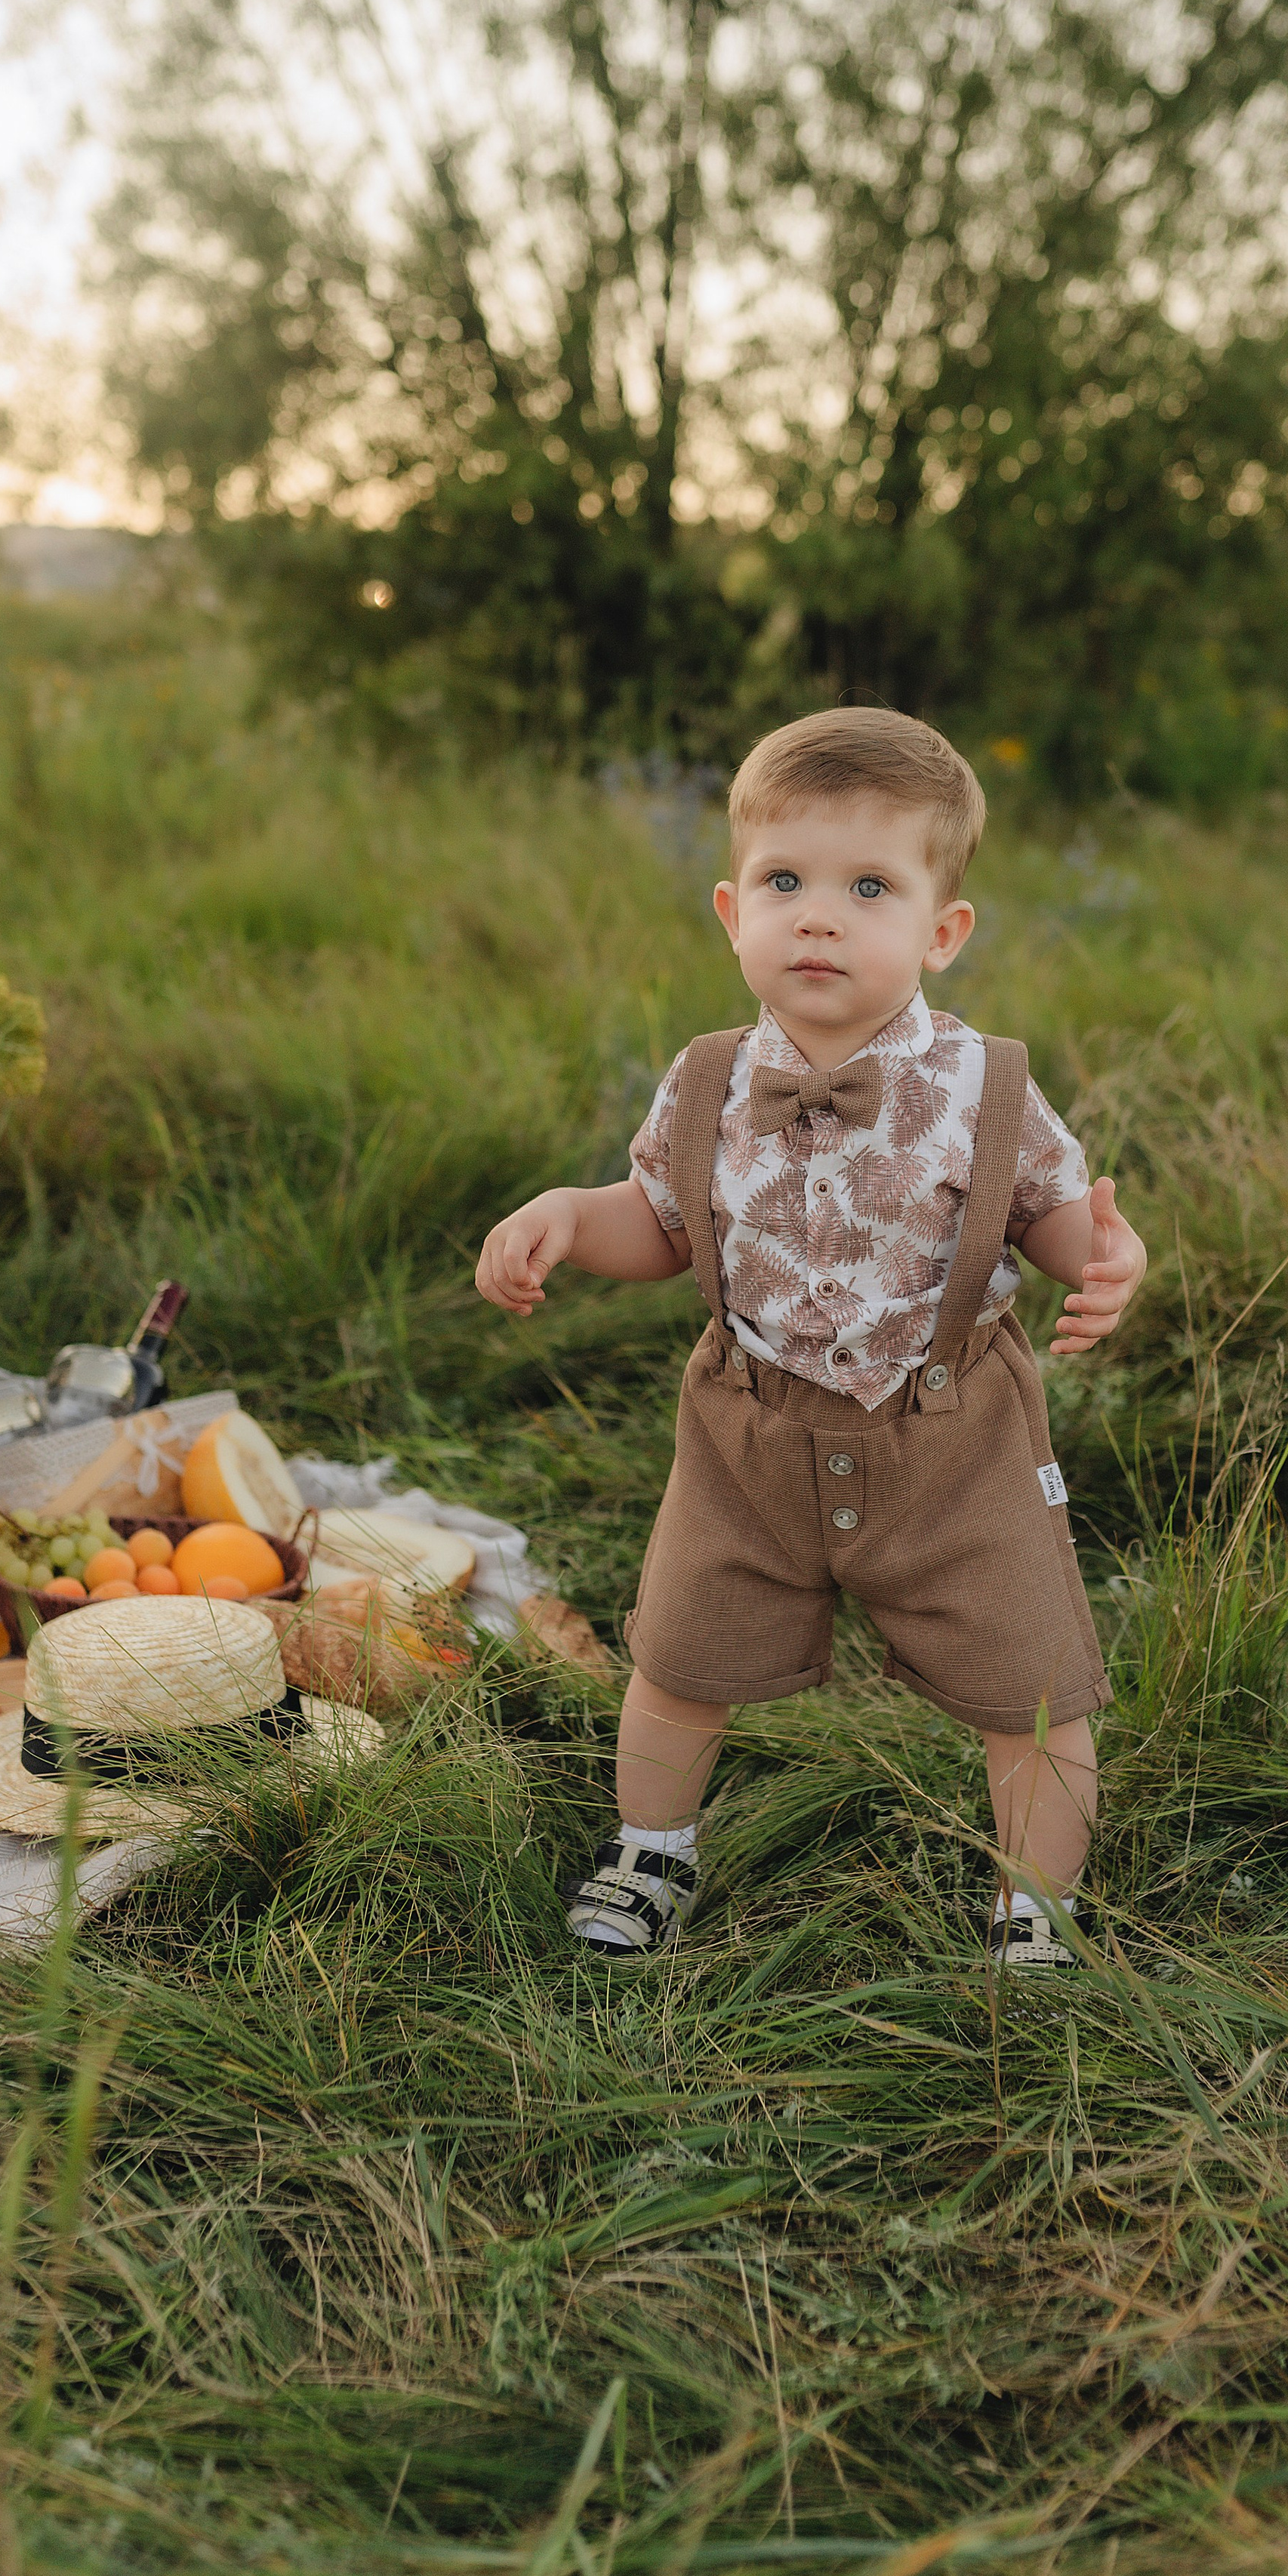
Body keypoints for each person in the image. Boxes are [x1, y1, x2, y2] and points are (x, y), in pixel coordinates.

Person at [476, 707, 1148, 1971]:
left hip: (954, 1439)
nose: (820, 915)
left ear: (941, 930)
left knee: (1035, 1685)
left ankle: (1037, 1904)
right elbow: (665, 1221)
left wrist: (1105, 1258)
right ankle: (653, 1846)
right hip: (749, 1428)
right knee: (677, 1652)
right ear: (735, 914)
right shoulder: (711, 1075)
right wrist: (572, 1215)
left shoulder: (984, 1084)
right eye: (787, 882)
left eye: (869, 886)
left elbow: (1050, 1208)